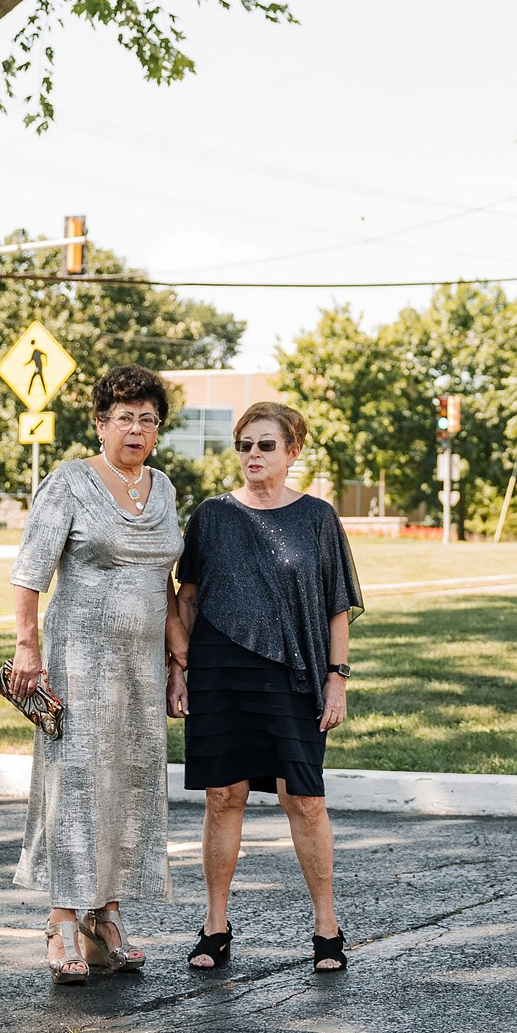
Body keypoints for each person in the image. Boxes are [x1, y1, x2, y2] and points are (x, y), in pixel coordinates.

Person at [169, 400, 362, 973]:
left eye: (266, 445)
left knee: (304, 799)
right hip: (220, 670)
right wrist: (178, 671)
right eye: (245, 445)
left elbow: (335, 609)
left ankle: (327, 927)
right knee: (223, 797)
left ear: (293, 450)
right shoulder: (210, 516)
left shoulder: (319, 517)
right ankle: (215, 925)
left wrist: (337, 680)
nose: (254, 455)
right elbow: (187, 597)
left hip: (294, 671)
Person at [7, 365, 183, 984]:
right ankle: (61, 920)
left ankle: (105, 917)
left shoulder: (161, 487)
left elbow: (163, 582)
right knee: (77, 784)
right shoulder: (70, 484)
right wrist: (27, 650)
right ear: (101, 423)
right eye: (124, 417)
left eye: (148, 419)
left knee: (131, 786)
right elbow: (31, 573)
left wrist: (178, 660)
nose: (136, 429)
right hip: (77, 661)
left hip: (140, 666)